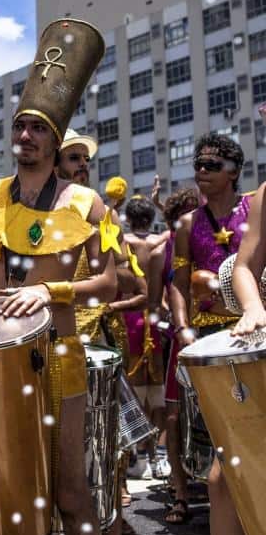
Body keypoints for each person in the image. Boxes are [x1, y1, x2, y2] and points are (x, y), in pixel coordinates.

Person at [0, 18, 116, 535]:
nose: (26, 137)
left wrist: (49, 289)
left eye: (38, 128)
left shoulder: (87, 203)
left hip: (61, 357)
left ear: (56, 139)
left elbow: (110, 285)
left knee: (70, 489)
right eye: (20, 126)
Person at [169, 132, 251, 535]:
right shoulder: (186, 225)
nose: (201, 170)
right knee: (217, 445)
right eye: (198, 163)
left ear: (234, 171)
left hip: (255, 336)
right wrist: (183, 329)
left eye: (212, 165)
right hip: (209, 343)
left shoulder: (256, 210)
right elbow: (177, 286)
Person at [58, 133, 130, 535]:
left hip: (97, 343)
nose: (83, 165)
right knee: (56, 456)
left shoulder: (101, 212)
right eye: (74, 158)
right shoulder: (35, 212)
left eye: (85, 159)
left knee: (106, 452)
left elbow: (116, 273)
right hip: (51, 345)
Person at [146, 187, 199, 525]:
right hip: (181, 340)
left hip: (220, 334)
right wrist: (173, 324)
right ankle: (180, 493)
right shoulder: (159, 251)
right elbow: (152, 303)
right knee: (173, 417)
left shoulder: (213, 235)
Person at [113, 197, 166, 480]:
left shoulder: (126, 243)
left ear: (129, 219)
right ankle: (158, 455)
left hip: (129, 316)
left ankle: (139, 455)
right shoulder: (159, 242)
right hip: (154, 317)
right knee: (156, 390)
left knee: (132, 390)